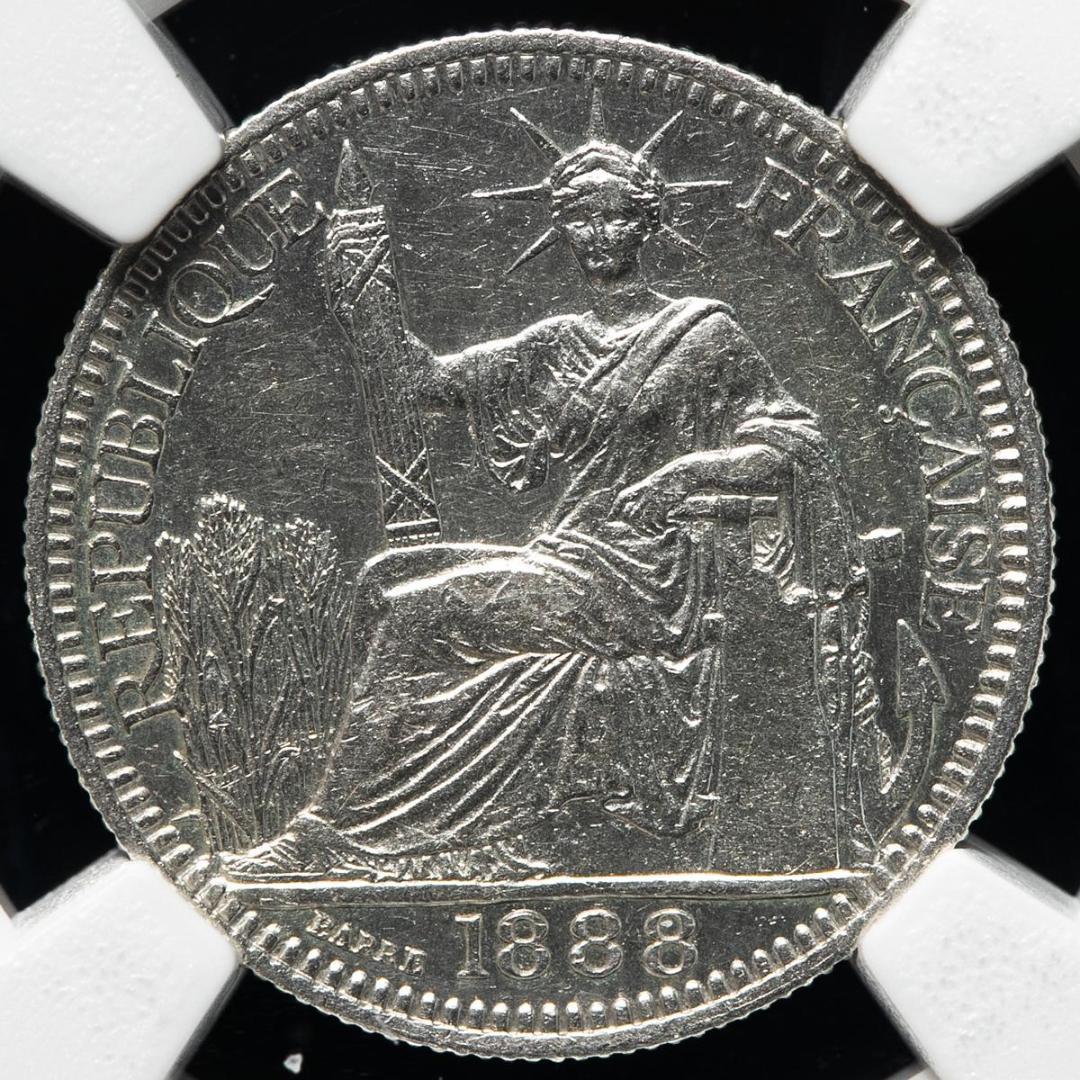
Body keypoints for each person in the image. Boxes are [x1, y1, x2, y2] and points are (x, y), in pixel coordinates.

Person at [227, 125, 879, 882]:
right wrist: (363, 301)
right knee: (385, 580)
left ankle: (328, 833)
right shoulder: (559, 342)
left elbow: (792, 446)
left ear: (648, 221)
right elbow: (426, 383)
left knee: (415, 612)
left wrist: (681, 477)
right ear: (562, 227)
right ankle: (430, 826)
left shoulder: (705, 334)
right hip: (570, 557)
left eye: (616, 216)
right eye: (581, 218)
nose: (599, 234)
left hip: (649, 578)